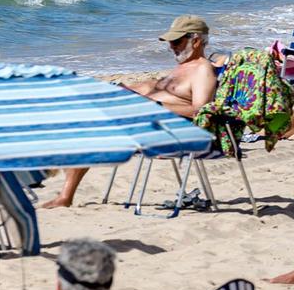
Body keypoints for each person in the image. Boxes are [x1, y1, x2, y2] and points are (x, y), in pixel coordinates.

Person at [45, 14, 221, 208]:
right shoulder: (184, 67)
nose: (171, 46)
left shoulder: (202, 70)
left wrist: (153, 105)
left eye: (176, 41)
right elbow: (159, 90)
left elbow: (201, 111)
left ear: (195, 41)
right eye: (170, 42)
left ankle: (62, 190)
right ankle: (56, 173)